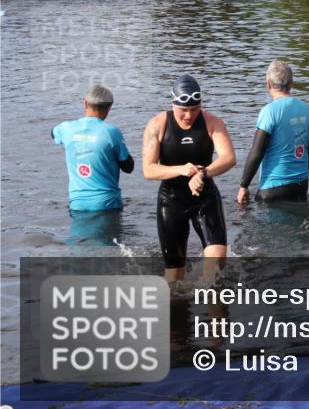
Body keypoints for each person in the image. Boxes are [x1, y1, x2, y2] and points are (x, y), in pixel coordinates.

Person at [143, 75, 235, 281]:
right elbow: (148, 170)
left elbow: (229, 157)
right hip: (171, 200)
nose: (188, 115)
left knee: (217, 262)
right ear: (173, 104)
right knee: (175, 275)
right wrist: (182, 170)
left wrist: (203, 173)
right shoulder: (157, 125)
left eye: (194, 109)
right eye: (183, 110)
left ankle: (214, 307)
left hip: (205, 197)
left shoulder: (212, 122)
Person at [237, 61, 309, 203]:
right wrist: (302, 171)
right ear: (291, 83)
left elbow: (256, 152)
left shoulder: (269, 111)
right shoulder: (307, 109)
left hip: (273, 188)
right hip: (301, 186)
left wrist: (244, 186)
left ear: (268, 84)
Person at [52, 84, 134, 213]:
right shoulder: (111, 132)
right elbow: (128, 167)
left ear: (85, 103)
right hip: (107, 204)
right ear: (109, 107)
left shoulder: (66, 128)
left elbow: (53, 132)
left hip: (77, 204)